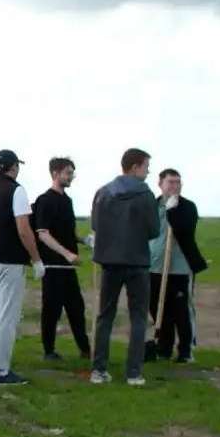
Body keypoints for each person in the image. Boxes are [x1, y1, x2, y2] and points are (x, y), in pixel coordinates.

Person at [90, 148, 160, 387]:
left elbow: (96, 225)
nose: (148, 171)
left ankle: (98, 370)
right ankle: (134, 373)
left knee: (105, 317)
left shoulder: (103, 193)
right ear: (134, 167)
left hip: (109, 261)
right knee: (138, 318)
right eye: (146, 166)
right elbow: (154, 230)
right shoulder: (145, 194)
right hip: (137, 261)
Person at [0, 150, 44, 385]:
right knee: (6, 317)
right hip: (9, 261)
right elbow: (24, 229)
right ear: (13, 167)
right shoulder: (17, 190)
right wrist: (36, 259)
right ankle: (1, 371)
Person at [33, 157, 92, 361]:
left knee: (77, 307)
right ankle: (49, 350)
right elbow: (43, 233)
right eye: (68, 172)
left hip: (68, 267)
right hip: (52, 264)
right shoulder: (45, 200)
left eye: (72, 173)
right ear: (55, 173)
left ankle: (85, 349)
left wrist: (84, 240)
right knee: (52, 310)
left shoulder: (67, 200)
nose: (71, 177)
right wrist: (66, 253)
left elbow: (67, 232)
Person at [149, 169, 208, 363]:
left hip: (180, 268)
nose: (175, 186)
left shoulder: (187, 206)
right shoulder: (152, 205)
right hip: (153, 267)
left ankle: (185, 350)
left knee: (181, 310)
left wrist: (172, 210)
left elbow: (184, 229)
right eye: (171, 182)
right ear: (160, 184)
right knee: (158, 309)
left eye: (178, 182)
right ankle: (164, 348)